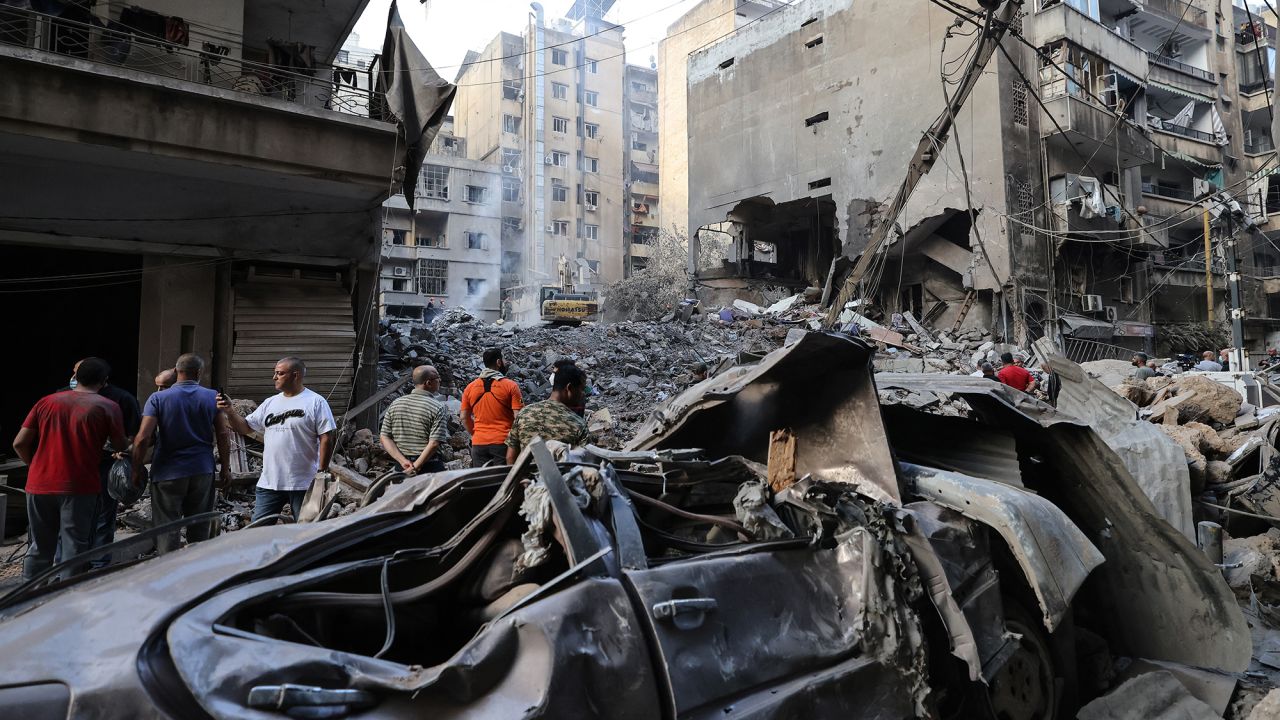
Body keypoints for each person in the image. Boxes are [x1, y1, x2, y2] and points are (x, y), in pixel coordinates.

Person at [12, 358, 127, 580]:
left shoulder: (45, 402)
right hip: (80, 487)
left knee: (38, 546)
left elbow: (19, 443)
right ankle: (67, 599)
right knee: (75, 547)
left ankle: (28, 597)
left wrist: (35, 466)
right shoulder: (108, 407)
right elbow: (120, 445)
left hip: (38, 485)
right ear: (104, 382)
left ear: (76, 377)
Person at [131, 354, 231, 554]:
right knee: (200, 524)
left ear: (176, 371)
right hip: (202, 470)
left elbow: (142, 438)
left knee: (167, 526)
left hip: (167, 472)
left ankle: (169, 572)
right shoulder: (212, 396)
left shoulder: (157, 398)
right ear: (199, 372)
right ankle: (197, 571)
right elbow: (222, 433)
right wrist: (225, 468)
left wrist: (136, 468)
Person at [219, 357, 336, 523]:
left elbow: (327, 437)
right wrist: (230, 411)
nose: (274, 377)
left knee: (306, 531)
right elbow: (245, 427)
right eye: (275, 373)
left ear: (295, 375)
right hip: (270, 482)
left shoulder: (316, 402)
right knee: (258, 531)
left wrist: (322, 472)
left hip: (303, 483)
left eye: (280, 373)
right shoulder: (270, 403)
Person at [505, 365, 590, 463]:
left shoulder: (524, 413)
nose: (583, 394)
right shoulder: (578, 424)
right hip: (560, 478)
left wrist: (518, 478)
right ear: (569, 388)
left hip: (526, 477)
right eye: (581, 389)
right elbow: (585, 463)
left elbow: (510, 457)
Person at [380, 365, 449, 475]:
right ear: (428, 383)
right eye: (437, 377)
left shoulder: (396, 403)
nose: (440, 380)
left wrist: (403, 461)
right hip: (428, 466)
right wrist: (416, 466)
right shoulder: (437, 407)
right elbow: (434, 443)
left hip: (402, 465)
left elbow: (384, 437)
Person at [460, 348, 523, 467]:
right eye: (504, 360)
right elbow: (518, 417)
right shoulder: (511, 386)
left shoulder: (470, 387)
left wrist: (475, 433)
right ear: (499, 362)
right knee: (503, 482)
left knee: (483, 482)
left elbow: (464, 417)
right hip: (503, 443)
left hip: (478, 444)